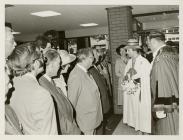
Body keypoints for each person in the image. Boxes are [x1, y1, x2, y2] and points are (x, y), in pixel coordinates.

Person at [8, 43, 57, 134]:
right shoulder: (40, 94)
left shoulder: (8, 86)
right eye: (43, 58)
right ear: (36, 63)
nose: (44, 61)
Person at [38, 49, 80, 135]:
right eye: (59, 63)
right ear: (52, 64)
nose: (60, 66)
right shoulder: (43, 84)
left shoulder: (50, 81)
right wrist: (74, 131)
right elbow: (58, 116)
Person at [147, 31, 179, 135]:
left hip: (167, 103)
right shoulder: (173, 53)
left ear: (153, 42)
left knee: (167, 129)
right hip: (175, 97)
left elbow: (162, 83)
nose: (148, 46)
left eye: (148, 43)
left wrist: (160, 108)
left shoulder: (161, 59)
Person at [68, 48, 103, 135]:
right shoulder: (76, 75)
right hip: (85, 120)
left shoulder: (84, 72)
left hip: (92, 117)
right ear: (84, 59)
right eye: (91, 57)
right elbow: (72, 102)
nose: (93, 60)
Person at [122, 39, 151, 134]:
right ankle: (138, 127)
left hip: (140, 91)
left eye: (128, 50)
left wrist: (134, 78)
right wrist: (127, 78)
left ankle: (144, 129)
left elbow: (146, 76)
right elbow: (125, 74)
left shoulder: (144, 61)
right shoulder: (130, 61)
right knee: (133, 109)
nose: (127, 52)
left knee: (141, 110)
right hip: (132, 91)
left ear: (134, 50)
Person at [88, 47, 111, 134]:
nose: (98, 55)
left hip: (102, 101)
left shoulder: (95, 67)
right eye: (96, 54)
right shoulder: (90, 69)